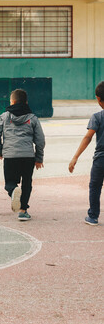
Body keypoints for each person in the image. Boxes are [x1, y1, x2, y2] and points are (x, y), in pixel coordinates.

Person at [0, 89, 45, 221]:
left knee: (9, 182)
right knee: (27, 182)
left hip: (10, 156)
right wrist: (39, 158)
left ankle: (13, 190)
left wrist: (0, 150)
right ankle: (23, 211)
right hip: (28, 156)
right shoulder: (33, 118)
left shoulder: (4, 117)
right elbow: (40, 140)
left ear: (13, 102)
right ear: (26, 102)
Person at [69, 81, 104, 226]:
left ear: (98, 98)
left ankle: (93, 216)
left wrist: (75, 157)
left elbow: (88, 137)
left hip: (101, 159)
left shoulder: (97, 117)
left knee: (95, 186)